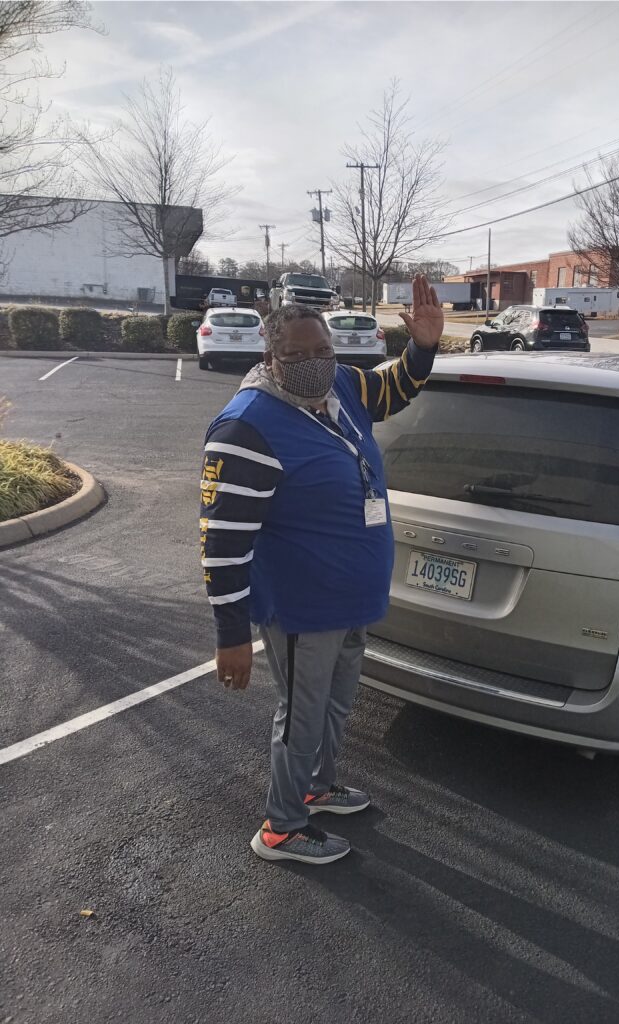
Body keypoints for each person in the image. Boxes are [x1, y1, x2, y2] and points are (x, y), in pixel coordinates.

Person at [200, 275, 443, 864]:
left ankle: (317, 787)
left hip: (351, 599)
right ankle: (281, 827)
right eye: (297, 354)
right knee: (302, 716)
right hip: (302, 607)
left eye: (323, 350)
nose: (314, 363)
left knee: (335, 705)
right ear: (270, 357)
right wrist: (231, 636)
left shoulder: (342, 387)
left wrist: (423, 347)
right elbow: (223, 543)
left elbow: (393, 388)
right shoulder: (247, 427)